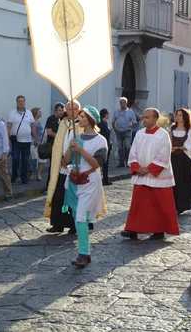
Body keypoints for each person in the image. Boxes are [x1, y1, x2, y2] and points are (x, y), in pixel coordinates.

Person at [121, 108, 180, 241]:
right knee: (138, 204)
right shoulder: (140, 134)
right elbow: (133, 151)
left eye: (147, 117)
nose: (144, 120)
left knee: (158, 204)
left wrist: (148, 169)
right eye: (144, 117)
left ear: (155, 119)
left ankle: (158, 230)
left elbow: (164, 154)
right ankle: (133, 229)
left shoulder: (163, 135)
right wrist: (136, 167)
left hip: (157, 176)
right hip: (141, 174)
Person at [62, 106, 107, 268]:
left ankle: (82, 254)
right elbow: (66, 161)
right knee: (76, 217)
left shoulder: (100, 140)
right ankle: (86, 253)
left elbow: (96, 164)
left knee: (81, 217)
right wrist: (70, 147)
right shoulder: (76, 136)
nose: (79, 119)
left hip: (89, 182)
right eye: (79, 116)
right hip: (74, 182)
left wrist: (80, 150)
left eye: (82, 116)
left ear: (90, 120)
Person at [45, 100, 82, 234]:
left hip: (74, 165)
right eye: (69, 109)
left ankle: (73, 225)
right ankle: (58, 224)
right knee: (59, 195)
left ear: (79, 110)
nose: (72, 111)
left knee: (73, 196)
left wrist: (71, 160)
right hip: (61, 165)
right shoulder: (63, 123)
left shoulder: (81, 125)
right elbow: (58, 144)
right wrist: (60, 158)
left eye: (75, 109)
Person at [170, 108, 191, 214]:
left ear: (185, 117)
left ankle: (183, 205)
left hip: (184, 159)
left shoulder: (189, 130)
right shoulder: (171, 129)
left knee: (184, 181)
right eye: (177, 115)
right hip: (173, 158)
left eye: (180, 115)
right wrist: (171, 148)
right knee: (174, 181)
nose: (178, 117)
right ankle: (173, 204)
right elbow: (168, 142)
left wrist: (179, 148)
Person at [7, 95, 38, 184]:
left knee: (25, 160)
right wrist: (8, 139)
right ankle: (14, 175)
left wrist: (36, 138)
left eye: (22, 101)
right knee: (15, 158)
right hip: (16, 141)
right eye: (19, 101)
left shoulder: (29, 113)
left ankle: (24, 177)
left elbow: (33, 126)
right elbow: (8, 127)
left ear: (25, 102)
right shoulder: (12, 113)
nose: (21, 103)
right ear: (16, 102)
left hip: (27, 141)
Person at [43, 102, 65, 189]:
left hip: (59, 146)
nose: (61, 112)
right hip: (52, 145)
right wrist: (59, 137)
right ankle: (49, 186)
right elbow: (49, 132)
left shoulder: (61, 119)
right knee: (53, 167)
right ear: (55, 110)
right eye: (59, 110)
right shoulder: (51, 119)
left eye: (62, 110)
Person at [112, 97, 137, 167]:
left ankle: (128, 161)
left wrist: (130, 127)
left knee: (127, 147)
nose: (122, 104)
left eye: (124, 102)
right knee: (119, 147)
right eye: (121, 102)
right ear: (119, 103)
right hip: (119, 131)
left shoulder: (130, 112)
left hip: (127, 132)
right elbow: (113, 121)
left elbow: (134, 122)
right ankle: (121, 162)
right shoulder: (116, 112)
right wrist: (114, 129)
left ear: (126, 103)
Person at [98, 108, 112, 186]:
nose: (108, 115)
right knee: (102, 163)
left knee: (106, 163)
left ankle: (106, 179)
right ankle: (102, 179)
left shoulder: (105, 123)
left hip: (108, 145)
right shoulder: (100, 124)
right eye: (108, 113)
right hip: (102, 146)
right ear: (105, 114)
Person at [30, 107, 45, 181]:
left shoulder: (39, 122)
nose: (41, 113)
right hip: (33, 143)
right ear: (35, 113)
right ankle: (31, 172)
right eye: (39, 112)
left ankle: (38, 174)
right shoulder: (32, 122)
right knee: (33, 159)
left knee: (41, 159)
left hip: (40, 143)